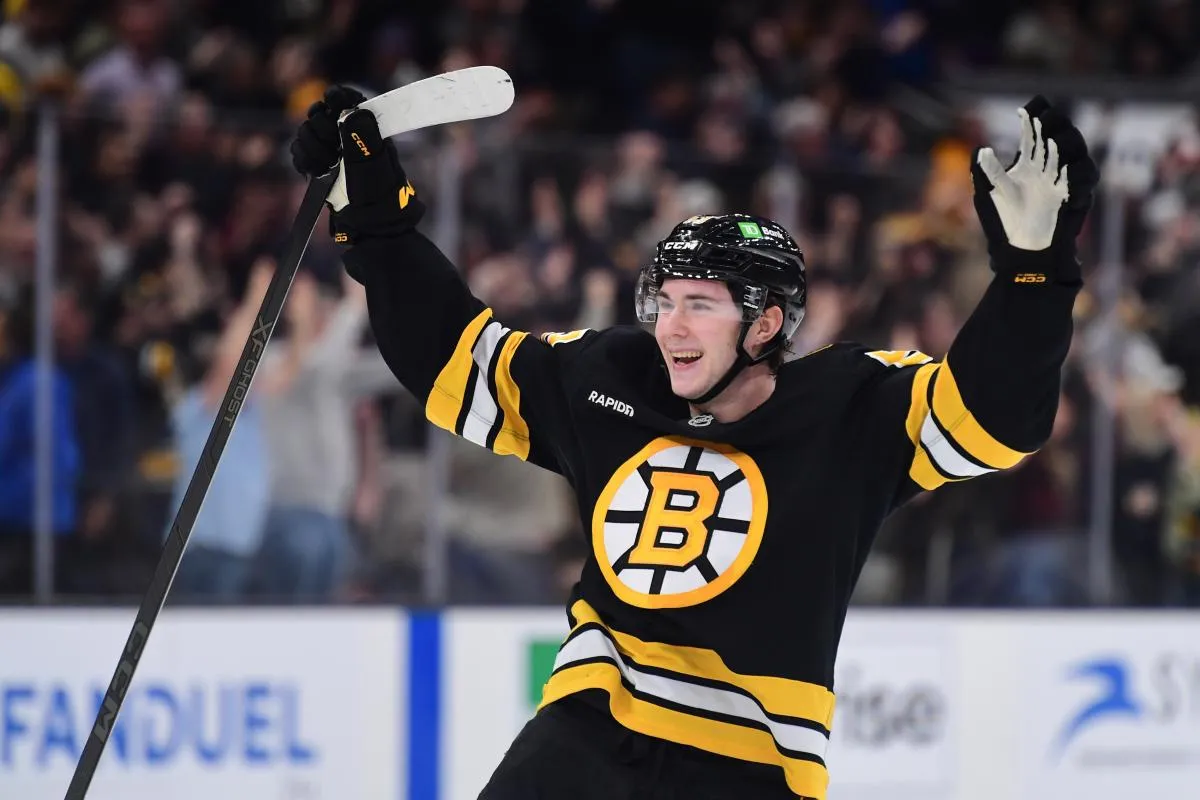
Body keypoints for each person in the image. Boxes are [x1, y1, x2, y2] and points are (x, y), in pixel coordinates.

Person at [290, 89, 1097, 799]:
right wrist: (378, 225)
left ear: (768, 324)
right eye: (665, 299)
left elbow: (993, 422)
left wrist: (1034, 276)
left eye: (702, 304)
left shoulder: (852, 407)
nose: (671, 325)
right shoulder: (611, 375)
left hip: (750, 766)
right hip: (583, 741)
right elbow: (453, 361)